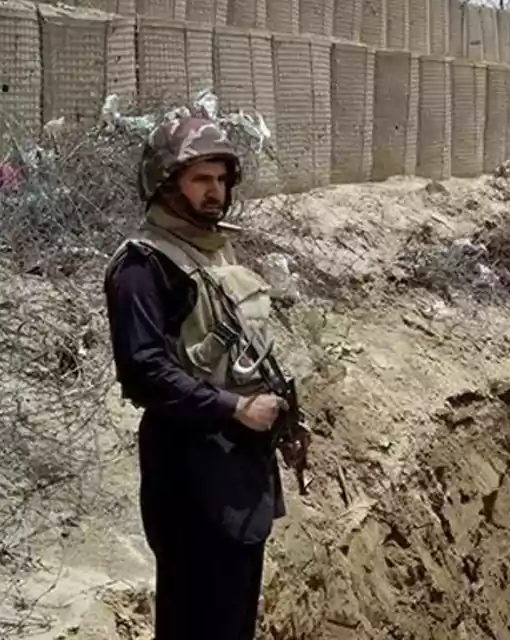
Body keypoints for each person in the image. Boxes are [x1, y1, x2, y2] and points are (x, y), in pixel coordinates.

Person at [104, 116, 303, 640]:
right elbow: (144, 371)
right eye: (200, 180)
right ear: (167, 184)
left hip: (236, 466)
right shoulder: (143, 266)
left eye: (220, 179)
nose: (214, 192)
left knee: (233, 614)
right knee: (197, 617)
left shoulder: (210, 250)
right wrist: (235, 409)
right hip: (190, 472)